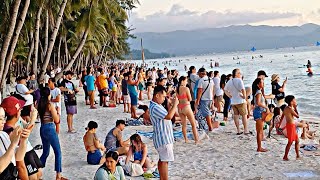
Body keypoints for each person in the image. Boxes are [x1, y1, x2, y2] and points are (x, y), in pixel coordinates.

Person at [149, 85, 179, 180]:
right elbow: (169, 117)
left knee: (162, 160)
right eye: (163, 96)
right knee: (165, 161)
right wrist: (175, 104)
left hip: (163, 138)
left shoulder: (157, 105)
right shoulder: (155, 107)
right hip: (163, 138)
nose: (164, 99)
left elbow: (167, 115)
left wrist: (170, 103)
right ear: (157, 95)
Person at [38, 87, 67, 179]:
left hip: (42, 128)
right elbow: (57, 119)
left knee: (45, 152)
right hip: (50, 127)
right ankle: (58, 175)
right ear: (48, 95)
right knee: (58, 152)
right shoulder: (49, 105)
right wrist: (58, 112)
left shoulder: (38, 104)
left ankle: (37, 171)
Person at [0, 98, 32, 180]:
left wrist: (23, 140)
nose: (4, 121)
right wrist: (13, 144)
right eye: (1, 119)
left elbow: (18, 158)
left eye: (4, 118)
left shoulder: (3, 134)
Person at [224, 69, 250, 135]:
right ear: (237, 74)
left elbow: (225, 90)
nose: (240, 74)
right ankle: (246, 130)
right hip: (240, 101)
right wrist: (244, 96)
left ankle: (238, 130)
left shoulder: (229, 81)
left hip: (233, 101)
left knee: (236, 116)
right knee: (244, 115)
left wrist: (229, 96)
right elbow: (243, 89)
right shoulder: (239, 80)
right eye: (239, 73)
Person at [176, 76, 199, 143]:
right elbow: (190, 99)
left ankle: (186, 139)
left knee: (184, 125)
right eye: (186, 81)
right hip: (186, 106)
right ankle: (196, 140)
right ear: (182, 81)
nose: (186, 82)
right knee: (193, 124)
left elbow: (177, 98)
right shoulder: (186, 88)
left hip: (180, 108)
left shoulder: (177, 89)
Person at [252, 78, 270, 152]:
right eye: (262, 83)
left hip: (258, 112)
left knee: (259, 131)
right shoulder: (258, 92)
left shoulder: (257, 92)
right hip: (259, 112)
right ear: (258, 84)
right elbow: (259, 103)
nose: (263, 84)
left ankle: (259, 147)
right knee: (259, 131)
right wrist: (266, 107)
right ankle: (259, 148)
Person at [283, 95, 301, 161]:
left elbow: (283, 115)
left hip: (290, 125)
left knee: (297, 140)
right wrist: (295, 108)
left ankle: (298, 155)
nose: (295, 101)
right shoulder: (290, 109)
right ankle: (285, 156)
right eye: (294, 100)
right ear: (291, 101)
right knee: (290, 142)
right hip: (291, 126)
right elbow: (297, 116)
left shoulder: (286, 108)